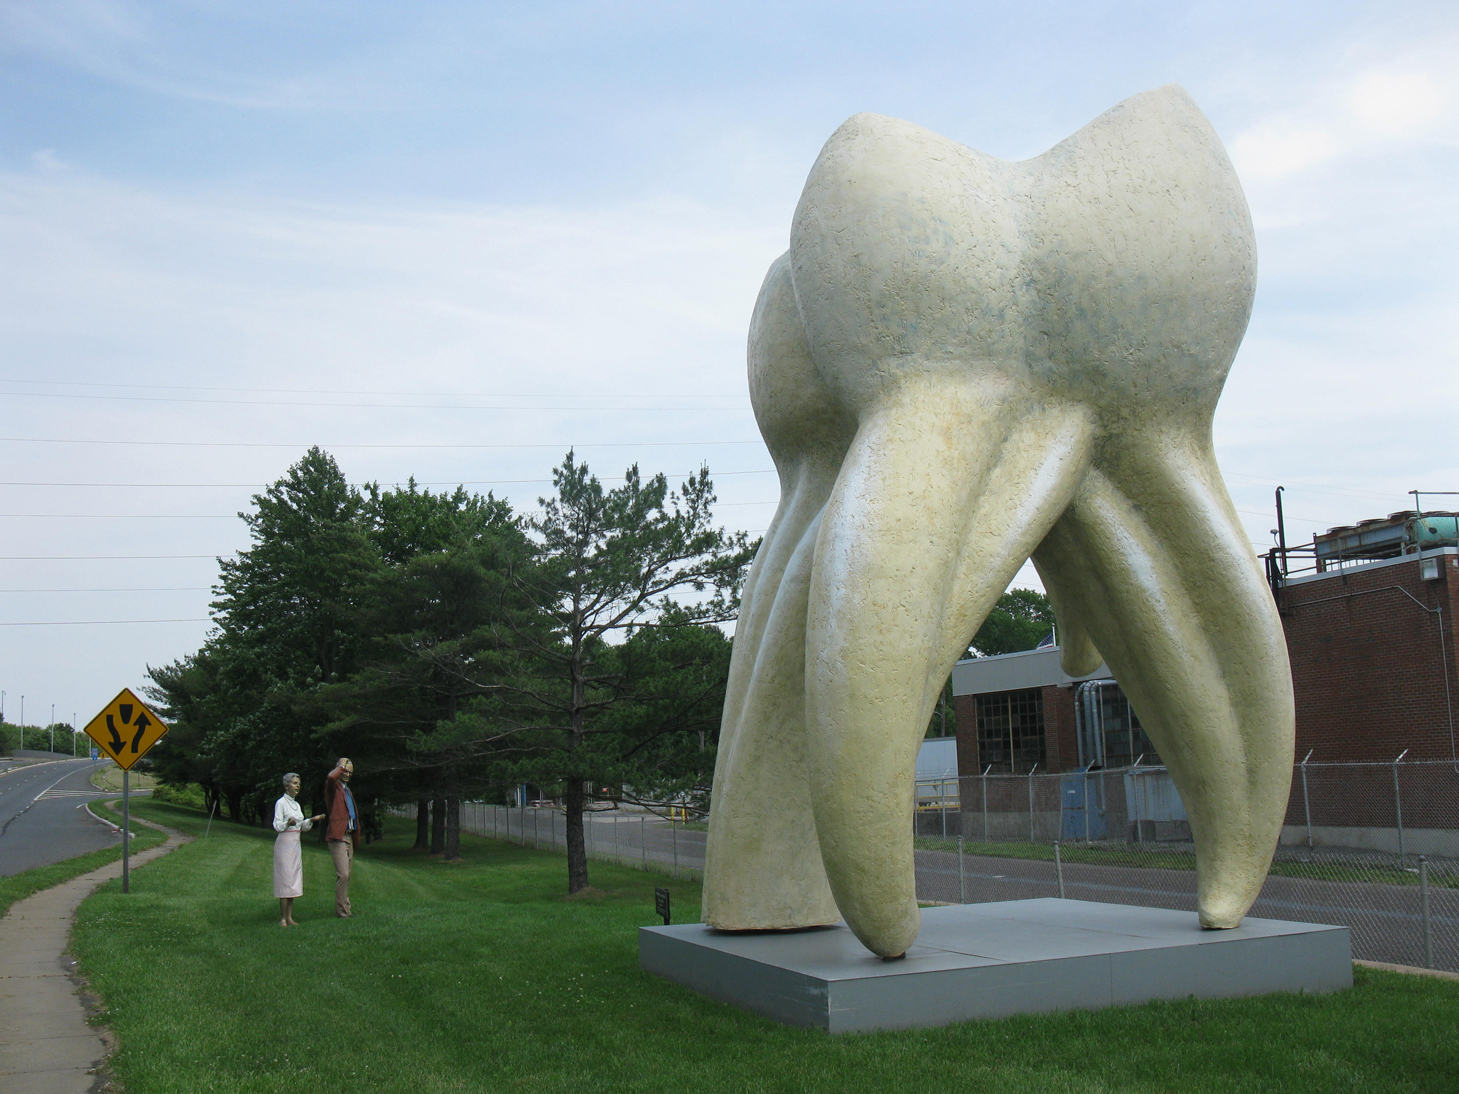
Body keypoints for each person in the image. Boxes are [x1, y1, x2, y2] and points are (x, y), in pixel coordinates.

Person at [272, 772, 324, 928]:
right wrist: (287, 823)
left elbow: (301, 826)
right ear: (287, 785)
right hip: (284, 844)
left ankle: (289, 917)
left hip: (295, 844)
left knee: (293, 879)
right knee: (285, 878)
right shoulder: (281, 803)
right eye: (295, 783)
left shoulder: (296, 805)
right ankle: (282, 918)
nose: (297, 786)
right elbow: (277, 825)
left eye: (299, 784)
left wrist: (312, 820)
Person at [323, 757, 360, 917]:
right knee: (343, 874)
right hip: (338, 836)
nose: (347, 774)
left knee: (348, 875)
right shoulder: (333, 787)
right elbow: (331, 777)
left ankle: (346, 908)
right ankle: (342, 912)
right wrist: (341, 765)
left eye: (350, 772)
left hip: (349, 836)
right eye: (345, 771)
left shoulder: (347, 789)